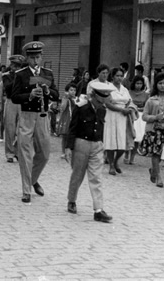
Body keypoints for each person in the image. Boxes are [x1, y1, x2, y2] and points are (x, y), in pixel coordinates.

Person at [11, 41, 58, 203]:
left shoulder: (47, 73)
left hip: (43, 115)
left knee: (44, 154)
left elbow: (57, 94)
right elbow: (14, 97)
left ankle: (32, 179)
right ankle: (26, 190)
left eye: (38, 58)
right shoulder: (21, 74)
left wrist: (48, 91)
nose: (35, 62)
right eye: (32, 58)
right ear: (27, 58)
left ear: (41, 57)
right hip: (27, 115)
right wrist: (29, 96)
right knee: (24, 153)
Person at [65, 81, 114, 223]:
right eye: (100, 100)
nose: (102, 103)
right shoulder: (81, 108)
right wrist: (68, 147)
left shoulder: (102, 110)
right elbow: (72, 128)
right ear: (93, 96)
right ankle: (72, 200)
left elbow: (101, 127)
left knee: (96, 177)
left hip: (96, 145)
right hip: (81, 144)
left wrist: (102, 145)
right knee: (77, 175)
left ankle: (98, 210)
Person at [140, 72, 164, 188]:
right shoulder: (151, 100)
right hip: (154, 130)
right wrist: (155, 118)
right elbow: (144, 116)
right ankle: (158, 176)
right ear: (156, 85)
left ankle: (153, 169)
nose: (162, 86)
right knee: (155, 153)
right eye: (160, 83)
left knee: (162, 154)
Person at [103, 67, 137, 175]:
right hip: (112, 115)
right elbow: (107, 104)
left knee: (122, 143)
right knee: (111, 140)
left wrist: (129, 108)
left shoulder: (125, 89)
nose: (119, 78)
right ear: (112, 76)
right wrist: (121, 109)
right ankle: (111, 164)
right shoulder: (108, 88)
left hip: (123, 117)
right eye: (117, 75)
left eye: (121, 76)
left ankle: (117, 160)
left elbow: (129, 101)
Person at [1, 55, 24, 163]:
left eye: (18, 66)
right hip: (11, 102)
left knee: (22, 129)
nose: (16, 68)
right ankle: (9, 153)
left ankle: (18, 152)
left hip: (22, 102)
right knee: (10, 128)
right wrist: (17, 77)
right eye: (14, 66)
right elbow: (8, 87)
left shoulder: (24, 75)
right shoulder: (6, 76)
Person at [127, 75, 149, 165]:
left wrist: (140, 109)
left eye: (140, 83)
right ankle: (126, 154)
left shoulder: (146, 95)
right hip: (131, 114)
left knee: (137, 137)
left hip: (140, 116)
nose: (139, 85)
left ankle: (132, 157)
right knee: (128, 135)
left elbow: (147, 106)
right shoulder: (129, 92)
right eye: (137, 83)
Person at [56, 83, 77, 159]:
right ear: (67, 91)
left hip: (74, 118)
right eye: (71, 90)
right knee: (65, 136)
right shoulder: (65, 98)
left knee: (73, 136)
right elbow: (62, 108)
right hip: (66, 118)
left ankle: (72, 151)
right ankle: (63, 152)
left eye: (74, 90)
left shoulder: (77, 99)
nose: (73, 92)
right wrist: (66, 98)